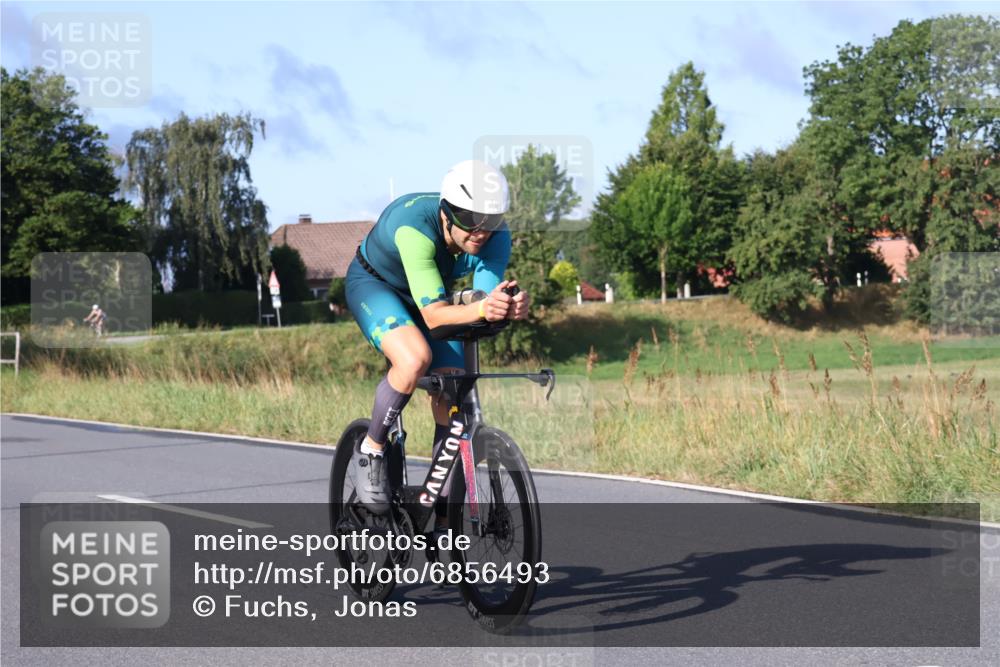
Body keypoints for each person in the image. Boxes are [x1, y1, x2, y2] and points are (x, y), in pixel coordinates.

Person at [345, 160, 531, 518]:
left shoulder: (496, 237)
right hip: (377, 287)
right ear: (446, 212)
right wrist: (482, 310)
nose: (480, 231)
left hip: (430, 294)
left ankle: (438, 503)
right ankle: (371, 449)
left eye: (490, 220)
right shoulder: (416, 229)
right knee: (414, 359)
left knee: (455, 389)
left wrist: (508, 307)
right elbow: (433, 316)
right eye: (468, 217)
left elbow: (482, 305)